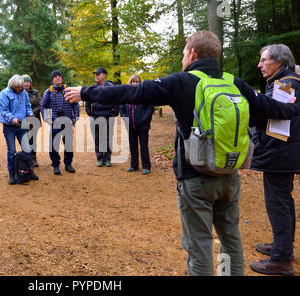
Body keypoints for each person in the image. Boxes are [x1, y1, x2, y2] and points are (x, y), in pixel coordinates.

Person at [64, 31, 300, 276]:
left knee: (199, 245)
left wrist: (86, 92)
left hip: (194, 176)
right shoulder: (235, 83)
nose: (182, 59)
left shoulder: (181, 82)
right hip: (229, 176)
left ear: (192, 53)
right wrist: (293, 108)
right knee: (231, 240)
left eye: (184, 53)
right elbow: (271, 108)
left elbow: (133, 92)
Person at [248, 44, 300, 276]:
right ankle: (282, 248)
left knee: (277, 203)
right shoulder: (287, 82)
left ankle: (281, 259)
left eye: (264, 60)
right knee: (283, 202)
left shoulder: (285, 84)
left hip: (280, 154)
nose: (259, 65)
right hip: (283, 153)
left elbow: (277, 121)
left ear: (279, 61)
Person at [0, 74, 39, 185]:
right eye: (17, 87)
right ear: (12, 85)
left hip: (22, 126)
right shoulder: (4, 93)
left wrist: (30, 114)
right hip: (9, 127)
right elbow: (3, 110)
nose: (19, 89)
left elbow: (27, 106)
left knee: (27, 149)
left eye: (20, 87)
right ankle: (12, 174)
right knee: (12, 151)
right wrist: (13, 119)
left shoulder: (24, 93)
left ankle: (30, 171)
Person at [41, 70, 79, 175]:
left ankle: (68, 164)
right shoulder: (48, 91)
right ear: (52, 79)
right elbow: (43, 106)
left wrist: (76, 117)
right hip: (55, 122)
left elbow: (75, 105)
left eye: (59, 76)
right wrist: (47, 119)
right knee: (54, 145)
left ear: (62, 78)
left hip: (68, 121)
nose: (57, 78)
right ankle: (56, 165)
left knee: (68, 145)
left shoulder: (68, 90)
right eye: (55, 77)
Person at [120, 75, 154, 175]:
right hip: (130, 125)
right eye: (133, 82)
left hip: (143, 126)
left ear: (140, 83)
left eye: (137, 81)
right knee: (133, 146)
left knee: (144, 146)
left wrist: (143, 120)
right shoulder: (126, 95)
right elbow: (121, 109)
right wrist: (125, 118)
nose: (135, 83)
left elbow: (150, 109)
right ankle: (134, 165)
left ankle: (146, 166)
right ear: (130, 83)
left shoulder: (145, 94)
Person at [86, 67, 119, 167]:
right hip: (96, 115)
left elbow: (117, 100)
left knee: (108, 137)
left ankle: (107, 158)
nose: (96, 76)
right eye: (95, 74)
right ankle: (100, 158)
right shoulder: (92, 88)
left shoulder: (111, 87)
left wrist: (115, 113)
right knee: (98, 138)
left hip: (108, 115)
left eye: (98, 74)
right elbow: (88, 101)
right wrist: (90, 112)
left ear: (104, 75)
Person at [23, 74, 42, 167]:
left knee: (32, 139)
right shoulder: (19, 93)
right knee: (24, 138)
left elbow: (40, 105)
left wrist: (31, 113)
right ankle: (26, 158)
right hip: (23, 119)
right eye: (24, 82)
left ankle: (33, 158)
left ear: (30, 83)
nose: (26, 83)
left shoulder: (35, 92)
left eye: (28, 82)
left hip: (34, 119)